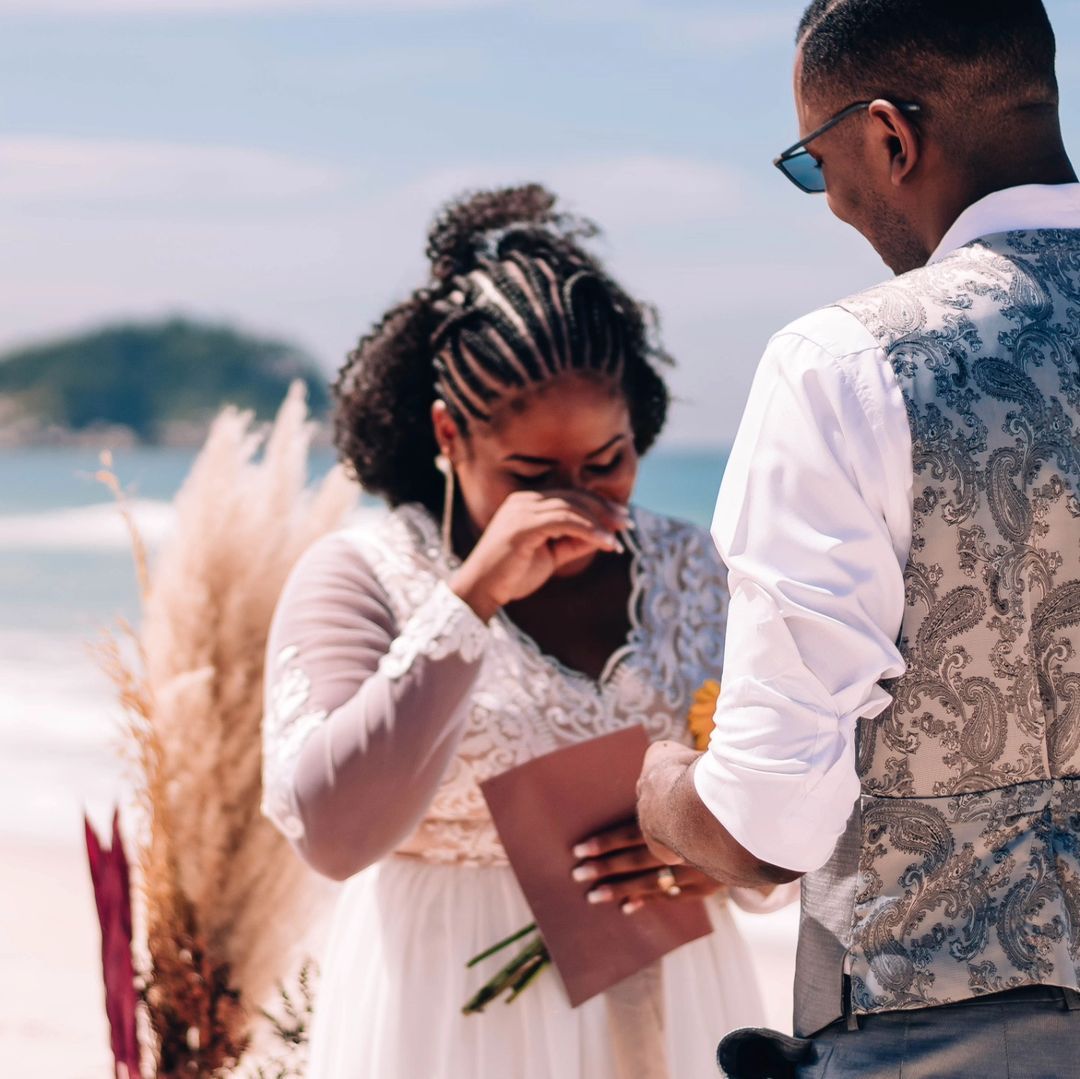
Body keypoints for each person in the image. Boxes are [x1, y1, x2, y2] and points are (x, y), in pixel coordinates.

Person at [636, 1, 1080, 1075]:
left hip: (958, 1030)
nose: (828, 198)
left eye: (812, 162)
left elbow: (766, 823)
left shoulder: (845, 364)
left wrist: (661, 792)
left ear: (890, 138)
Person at [261, 185, 794, 1079]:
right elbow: (334, 835)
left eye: (608, 461)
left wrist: (728, 861)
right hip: (444, 1012)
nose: (580, 500)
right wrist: (469, 598)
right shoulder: (362, 576)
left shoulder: (698, 566)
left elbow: (798, 789)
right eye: (531, 473)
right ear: (447, 434)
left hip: (677, 985)